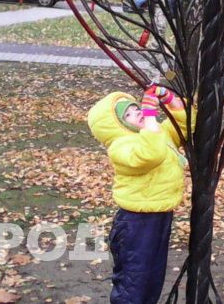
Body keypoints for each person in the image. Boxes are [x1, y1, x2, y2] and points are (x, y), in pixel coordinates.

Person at [87, 85, 188, 304]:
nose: (138, 112)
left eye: (136, 107)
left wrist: (170, 100)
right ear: (116, 125)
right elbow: (150, 154)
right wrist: (151, 114)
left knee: (153, 279)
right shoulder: (122, 146)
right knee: (134, 283)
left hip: (159, 216)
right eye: (129, 113)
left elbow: (183, 125)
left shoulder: (155, 132)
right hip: (136, 223)